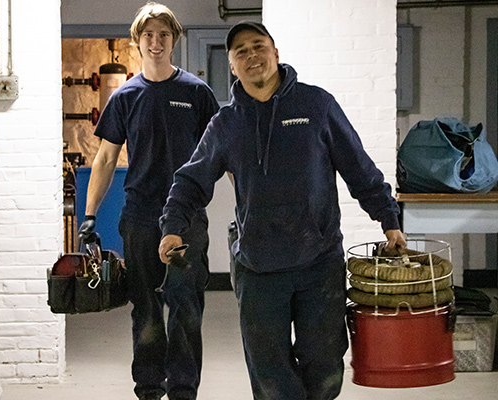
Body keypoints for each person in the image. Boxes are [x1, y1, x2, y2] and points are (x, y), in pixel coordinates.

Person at [158, 21, 407, 400]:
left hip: (318, 260)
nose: (251, 55)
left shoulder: (316, 105)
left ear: (275, 53)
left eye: (258, 46)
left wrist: (389, 219)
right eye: (240, 51)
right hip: (257, 267)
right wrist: (172, 227)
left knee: (324, 368)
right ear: (232, 67)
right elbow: (191, 181)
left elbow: (359, 168)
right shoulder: (226, 124)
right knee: (270, 374)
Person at [77, 3, 219, 400]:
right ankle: (150, 389)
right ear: (137, 42)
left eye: (164, 35)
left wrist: (247, 208)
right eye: (148, 36)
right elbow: (105, 158)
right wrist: (89, 215)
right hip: (140, 218)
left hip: (187, 220)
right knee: (146, 309)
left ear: (174, 40)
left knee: (187, 309)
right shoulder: (125, 97)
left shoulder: (196, 93)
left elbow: (222, 156)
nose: (156, 43)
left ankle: (184, 391)